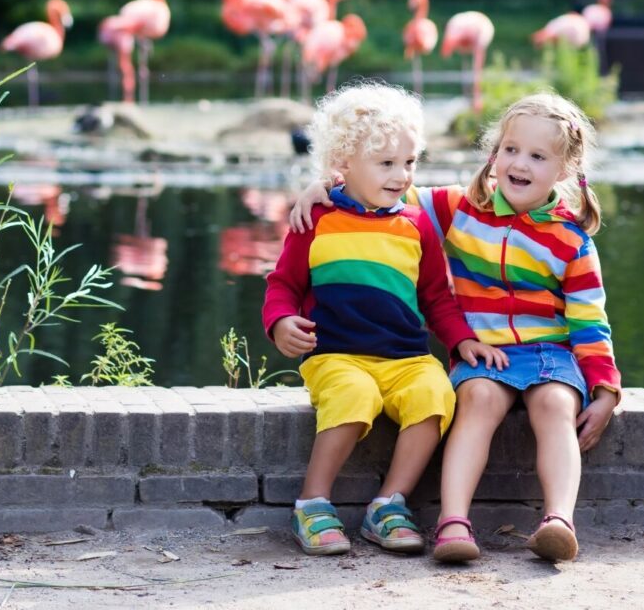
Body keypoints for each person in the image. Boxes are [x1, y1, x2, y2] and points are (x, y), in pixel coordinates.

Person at [291, 92, 620, 563]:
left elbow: (590, 323)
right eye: (510, 149)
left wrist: (605, 387)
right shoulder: (459, 207)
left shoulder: (572, 240)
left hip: (550, 353)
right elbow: (381, 188)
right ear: (494, 153)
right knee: (478, 400)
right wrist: (324, 186)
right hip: (482, 352)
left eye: (536, 156)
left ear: (564, 171)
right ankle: (454, 521)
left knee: (554, 405)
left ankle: (558, 521)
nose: (519, 163)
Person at [263, 82, 481, 557]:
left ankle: (388, 504)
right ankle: (313, 502)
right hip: (335, 355)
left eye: (409, 163)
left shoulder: (415, 222)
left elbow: (435, 297)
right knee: (355, 394)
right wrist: (280, 322)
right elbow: (283, 283)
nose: (402, 175)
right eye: (386, 164)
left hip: (404, 355)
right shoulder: (317, 217)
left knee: (434, 392)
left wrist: (461, 340)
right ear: (343, 164)